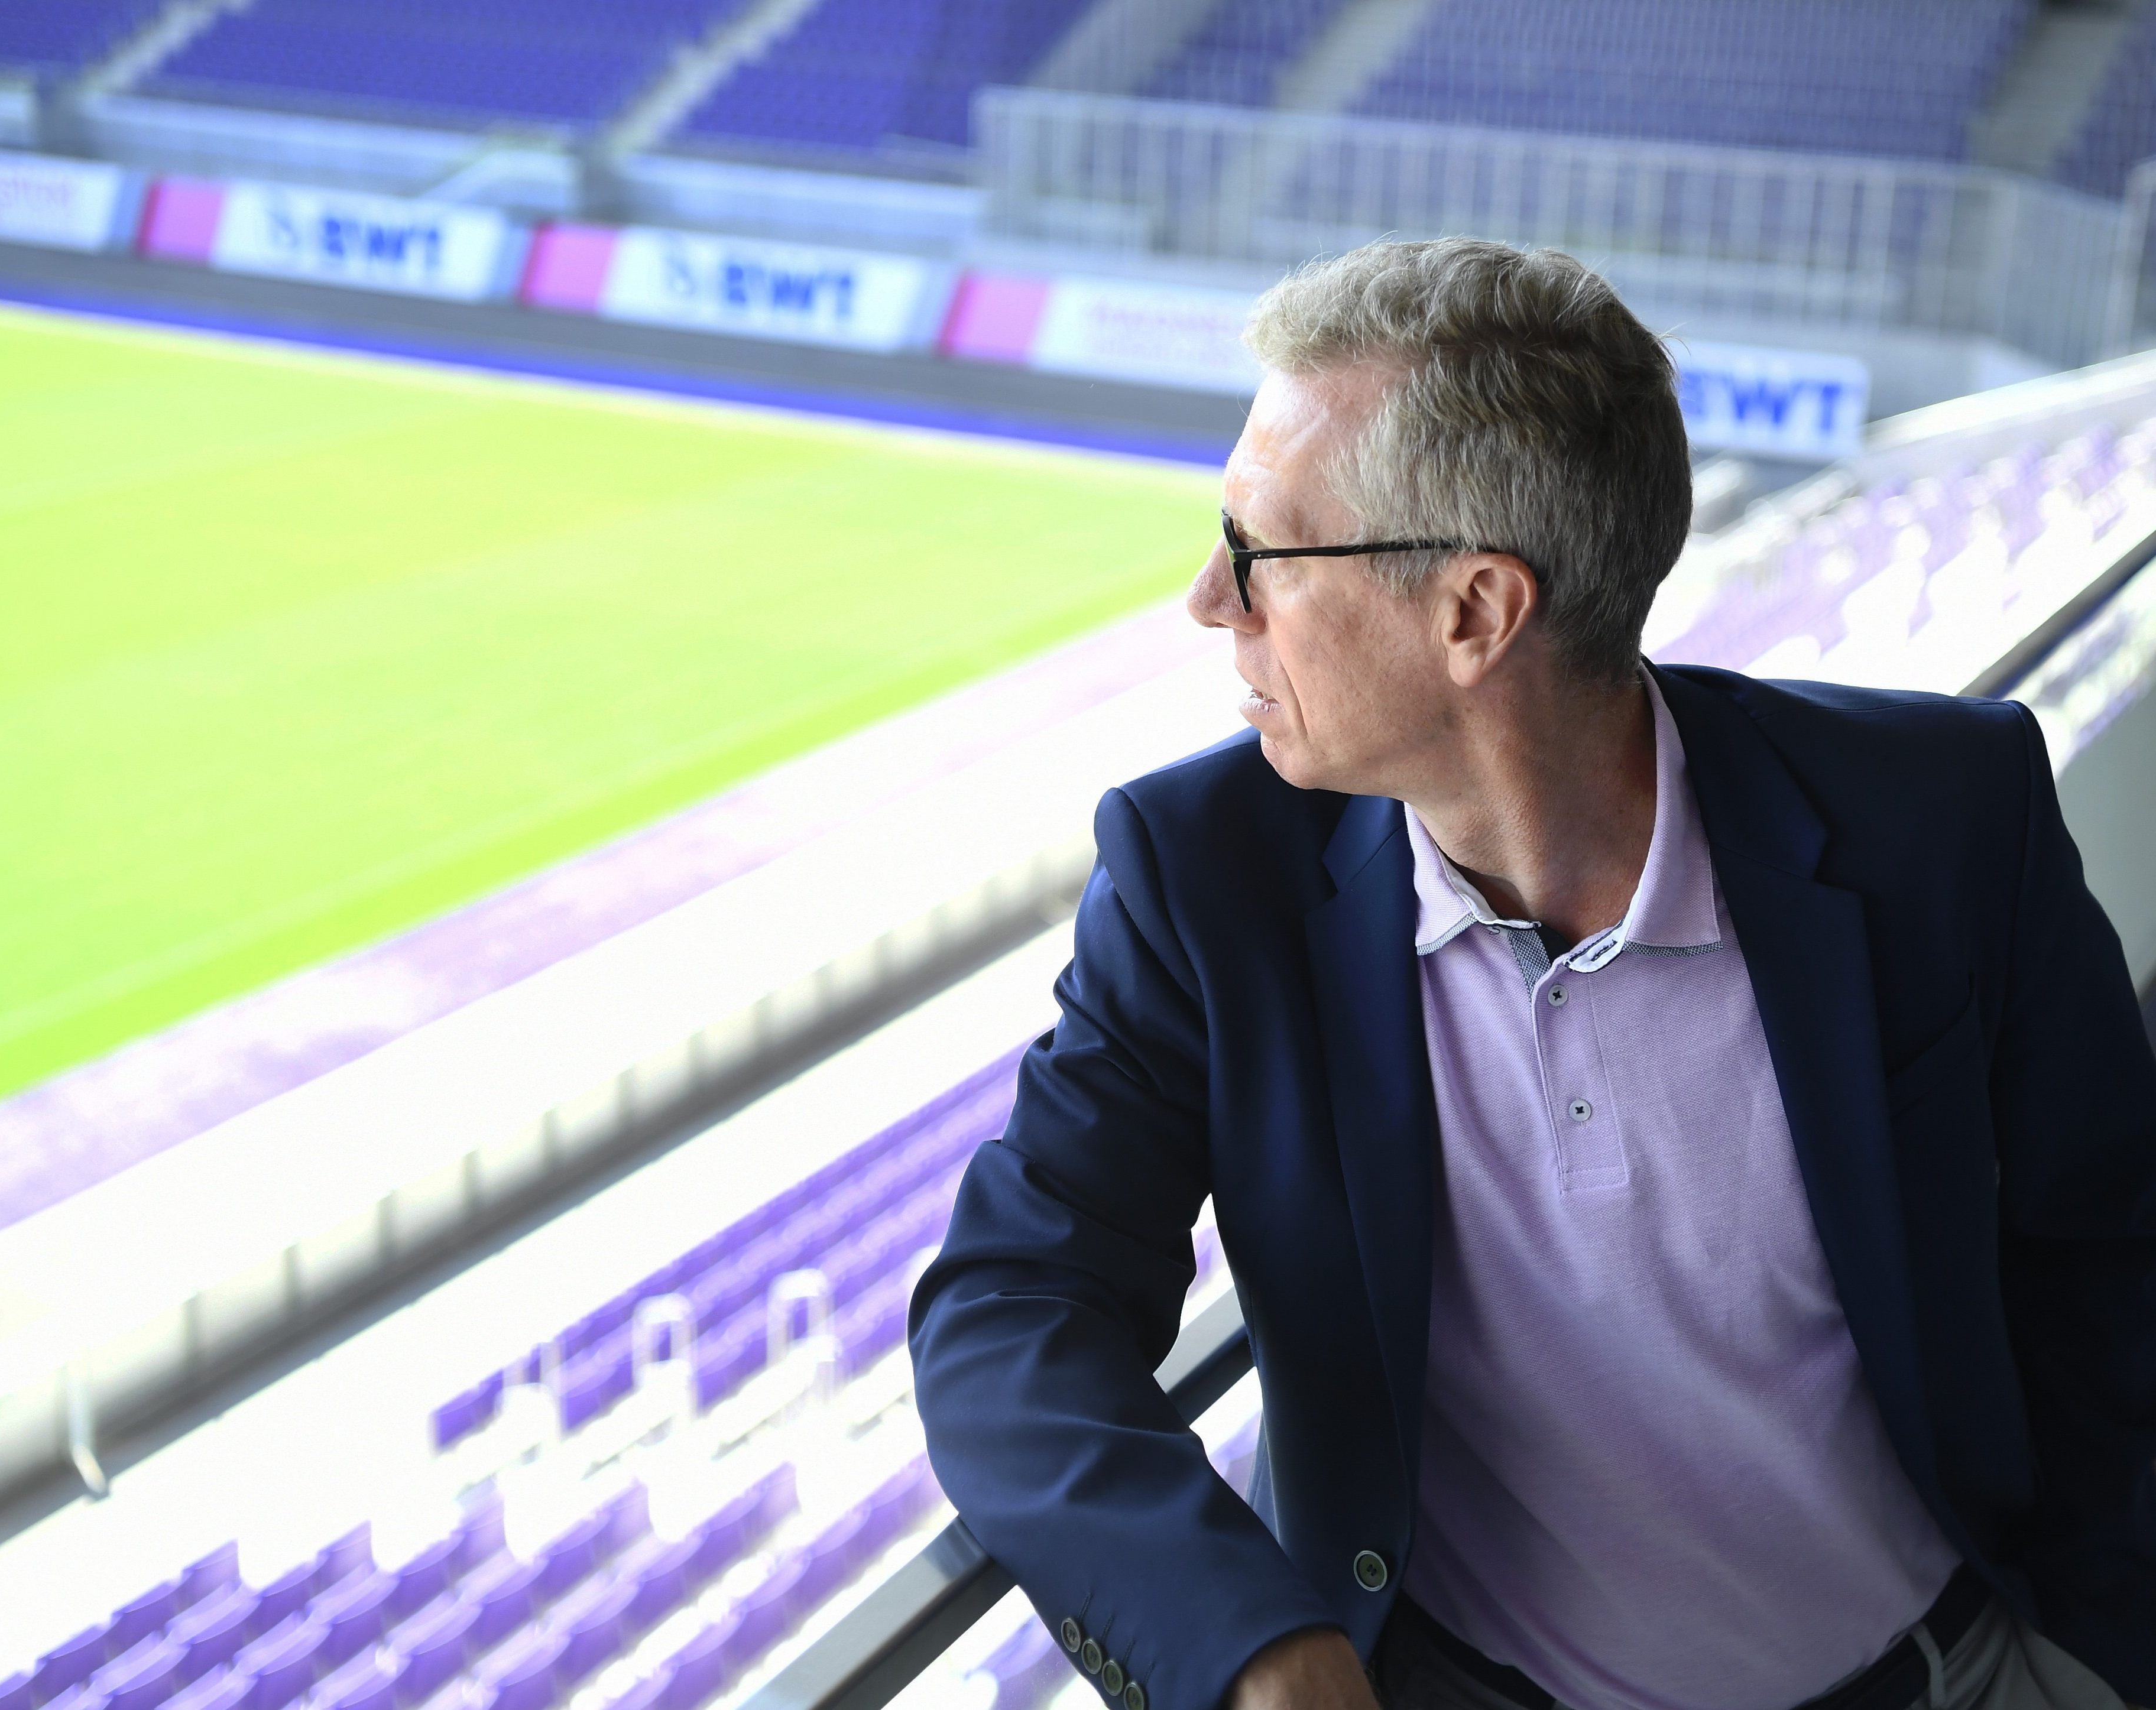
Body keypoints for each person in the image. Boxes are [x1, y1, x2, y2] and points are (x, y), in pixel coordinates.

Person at [907, 238, 2156, 1710]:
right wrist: (1251, 1643)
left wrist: (2097, 1656)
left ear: (1475, 614)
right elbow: (1011, 1308)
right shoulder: (1201, 874)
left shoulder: (1942, 816)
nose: (1209, 600)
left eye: (1258, 550)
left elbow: (2113, 1259)